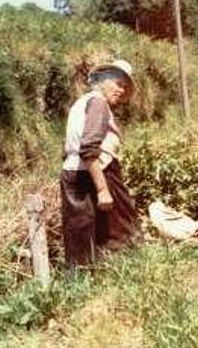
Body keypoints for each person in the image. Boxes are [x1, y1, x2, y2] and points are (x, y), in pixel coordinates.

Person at [59, 59, 141, 266]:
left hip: (72, 172)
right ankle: (127, 276)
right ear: (103, 81)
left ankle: (82, 284)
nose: (121, 90)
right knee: (122, 230)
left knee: (79, 235)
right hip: (99, 171)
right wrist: (103, 189)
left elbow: (71, 146)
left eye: (124, 86)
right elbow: (88, 147)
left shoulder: (82, 103)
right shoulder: (98, 103)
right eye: (118, 84)